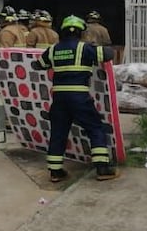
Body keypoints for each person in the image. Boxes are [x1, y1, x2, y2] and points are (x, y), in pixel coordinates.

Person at [35, 15, 118, 182]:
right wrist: (94, 47)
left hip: (59, 98)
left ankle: (55, 171)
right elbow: (109, 53)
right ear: (80, 32)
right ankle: (102, 168)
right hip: (79, 96)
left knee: (58, 132)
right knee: (95, 127)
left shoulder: (53, 50)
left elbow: (39, 64)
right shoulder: (84, 48)